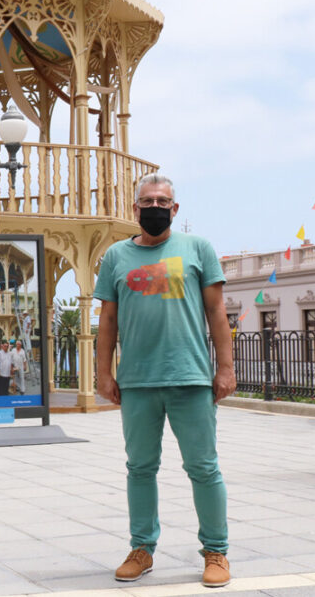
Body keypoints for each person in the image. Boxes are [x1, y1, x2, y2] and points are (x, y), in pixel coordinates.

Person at [94, 173, 235, 588]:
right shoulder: (116, 257)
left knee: (203, 467)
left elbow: (216, 312)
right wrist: (104, 373)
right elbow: (108, 319)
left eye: (162, 201)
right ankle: (142, 549)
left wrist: (224, 369)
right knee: (139, 467)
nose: (154, 207)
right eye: (147, 201)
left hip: (190, 378)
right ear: (134, 209)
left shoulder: (198, 249)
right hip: (137, 381)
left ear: (174, 209)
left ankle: (216, 551)